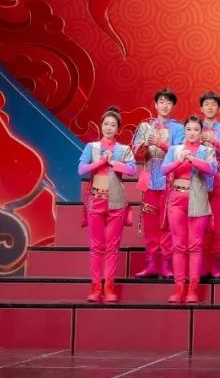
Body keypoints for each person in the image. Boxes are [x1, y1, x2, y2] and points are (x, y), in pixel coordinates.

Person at [78, 107, 136, 303]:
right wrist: (102, 162)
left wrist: (113, 164)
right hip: (96, 200)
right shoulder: (92, 147)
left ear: (118, 129)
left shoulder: (123, 149)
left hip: (116, 201)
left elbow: (132, 170)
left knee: (112, 247)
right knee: (96, 247)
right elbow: (81, 170)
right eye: (106, 124)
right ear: (101, 125)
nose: (109, 127)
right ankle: (96, 288)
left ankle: (109, 288)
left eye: (113, 125)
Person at [161, 116, 217, 303]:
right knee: (178, 245)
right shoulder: (175, 150)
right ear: (184, 131)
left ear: (201, 132)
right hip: (177, 198)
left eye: (196, 130)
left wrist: (193, 160)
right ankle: (178, 289)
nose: (192, 133)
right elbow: (163, 170)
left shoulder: (207, 151)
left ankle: (193, 289)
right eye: (189, 129)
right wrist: (179, 161)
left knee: (195, 246)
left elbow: (211, 171)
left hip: (198, 197)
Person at [133, 88, 184, 278]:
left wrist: (161, 144)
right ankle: (152, 264)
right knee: (150, 224)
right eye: (161, 102)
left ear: (173, 106)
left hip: (170, 181)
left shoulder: (178, 128)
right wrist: (145, 144)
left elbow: (180, 153)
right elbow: (135, 152)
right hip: (150, 181)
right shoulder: (145, 126)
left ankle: (166, 264)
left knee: (167, 223)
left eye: (169, 102)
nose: (165, 105)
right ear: (155, 105)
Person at [197, 91, 220, 279]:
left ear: (219, 108)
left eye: (213, 104)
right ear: (201, 108)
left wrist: (215, 142)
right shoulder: (194, 127)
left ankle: (215, 263)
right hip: (198, 178)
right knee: (200, 222)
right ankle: (202, 264)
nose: (210, 107)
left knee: (218, 224)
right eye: (207, 104)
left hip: (219, 176)